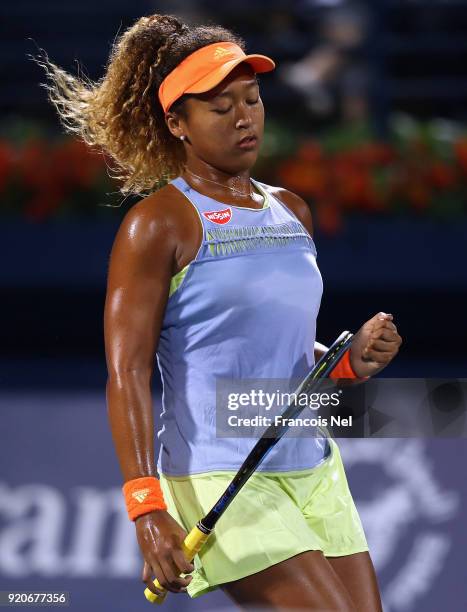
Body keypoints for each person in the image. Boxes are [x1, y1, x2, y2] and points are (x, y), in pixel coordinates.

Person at [39, 13, 402, 611]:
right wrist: (146, 510)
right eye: (220, 107)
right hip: (216, 474)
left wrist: (348, 365)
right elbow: (126, 374)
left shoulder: (292, 211)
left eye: (252, 100)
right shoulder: (157, 224)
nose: (244, 117)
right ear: (177, 123)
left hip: (311, 465)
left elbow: (283, 360)